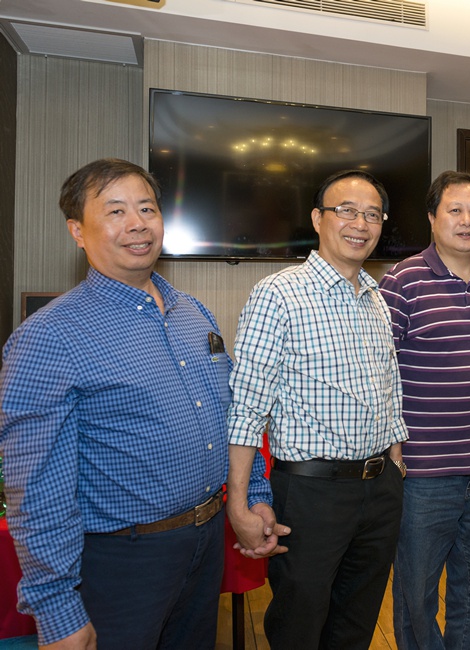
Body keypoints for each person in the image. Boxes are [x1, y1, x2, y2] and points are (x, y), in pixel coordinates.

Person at [0, 158, 272, 649]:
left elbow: (232, 413)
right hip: (121, 562)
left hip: (206, 543)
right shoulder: (49, 336)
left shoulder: (193, 313)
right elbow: (36, 488)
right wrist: (58, 611)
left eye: (147, 208)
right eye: (115, 211)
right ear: (77, 231)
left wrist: (253, 493)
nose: (137, 224)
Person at [226, 169, 408, 650]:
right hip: (310, 493)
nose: (360, 224)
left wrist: (394, 459)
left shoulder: (376, 298)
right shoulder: (278, 293)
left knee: (356, 626)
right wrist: (239, 503)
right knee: (299, 628)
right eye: (346, 211)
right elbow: (246, 407)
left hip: (380, 490)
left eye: (372, 215)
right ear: (317, 218)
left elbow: (388, 386)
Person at [378, 170, 470, 649]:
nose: (467, 220)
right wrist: (394, 454)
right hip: (423, 475)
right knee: (416, 594)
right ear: (433, 218)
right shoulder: (402, 280)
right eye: (455, 210)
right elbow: (380, 371)